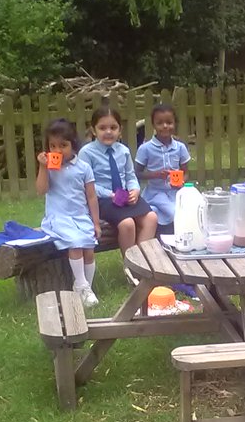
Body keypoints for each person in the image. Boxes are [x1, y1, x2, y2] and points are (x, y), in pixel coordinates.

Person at [78, 106, 158, 286]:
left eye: (113, 128)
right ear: (93, 130)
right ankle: (130, 268)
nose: (108, 132)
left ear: (120, 130)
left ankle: (143, 264)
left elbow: (130, 175)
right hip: (102, 199)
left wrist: (135, 190)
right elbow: (86, 183)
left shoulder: (123, 151)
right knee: (128, 223)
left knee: (151, 218)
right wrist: (110, 194)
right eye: (102, 128)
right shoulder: (87, 153)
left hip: (124, 196)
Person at [37, 118, 101, 308]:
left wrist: (95, 222)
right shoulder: (50, 167)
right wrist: (43, 167)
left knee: (89, 248)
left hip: (80, 217)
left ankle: (85, 287)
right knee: (75, 244)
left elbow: (91, 197)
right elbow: (41, 190)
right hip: (59, 218)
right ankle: (81, 285)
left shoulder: (83, 168)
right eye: (52, 146)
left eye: (63, 145)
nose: (57, 151)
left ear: (73, 145)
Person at [134, 103, 191, 235]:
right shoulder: (146, 148)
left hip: (175, 192)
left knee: (192, 209)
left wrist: (181, 182)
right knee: (174, 212)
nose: (165, 126)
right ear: (153, 124)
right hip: (155, 193)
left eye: (169, 122)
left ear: (175, 124)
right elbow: (137, 174)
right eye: (160, 123)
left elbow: (186, 172)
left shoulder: (180, 148)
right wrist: (155, 175)